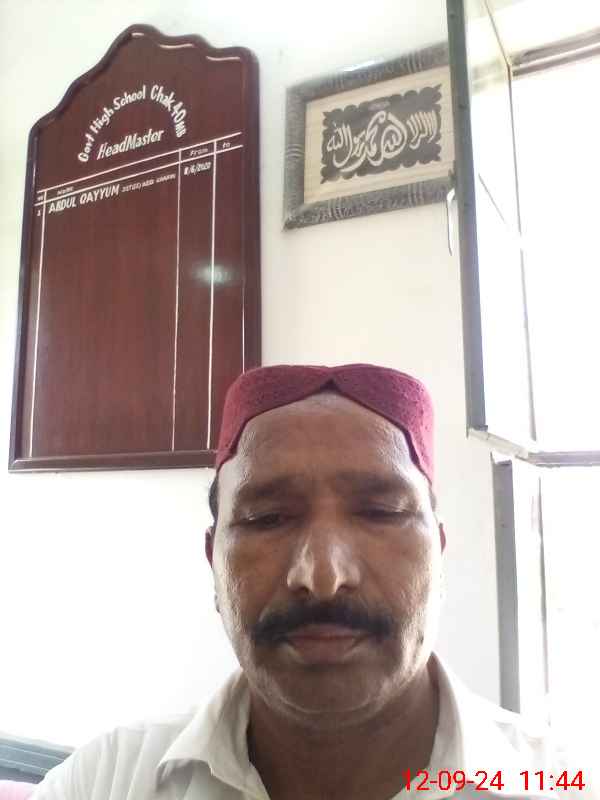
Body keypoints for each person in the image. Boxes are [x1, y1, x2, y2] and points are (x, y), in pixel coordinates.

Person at [30, 364, 595, 799]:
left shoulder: (563, 785)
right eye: (266, 518)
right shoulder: (105, 782)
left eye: (380, 512)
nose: (323, 578)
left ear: (438, 553)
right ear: (213, 559)